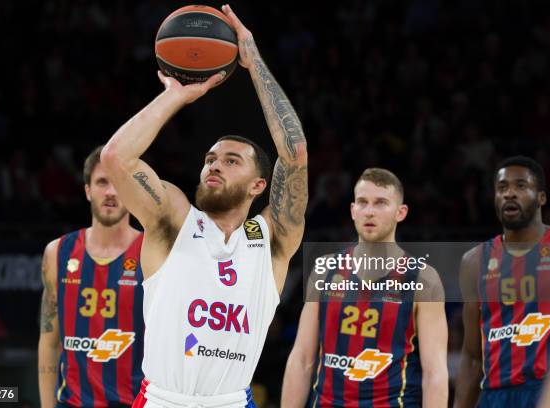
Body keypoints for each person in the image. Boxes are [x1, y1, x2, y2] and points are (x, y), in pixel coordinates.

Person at [101, 4, 308, 408]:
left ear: (258, 185)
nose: (214, 165)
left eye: (231, 161)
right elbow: (116, 159)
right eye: (210, 159)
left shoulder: (272, 238)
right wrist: (175, 96)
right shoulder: (174, 218)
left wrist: (254, 63)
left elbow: (295, 153)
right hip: (162, 400)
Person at [281, 168, 448, 407]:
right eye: (362, 202)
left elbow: (435, 373)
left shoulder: (423, 279)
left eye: (381, 203)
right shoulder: (325, 269)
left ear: (401, 212)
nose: (369, 211)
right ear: (352, 210)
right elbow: (301, 359)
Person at [38, 145, 145, 408]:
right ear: (88, 190)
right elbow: (50, 342)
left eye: (118, 183)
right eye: (101, 182)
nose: (110, 192)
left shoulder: (151, 253)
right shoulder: (57, 252)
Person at [454, 156, 550, 408]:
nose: (510, 193)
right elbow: (473, 357)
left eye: (521, 186)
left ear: (541, 197)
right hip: (496, 395)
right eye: (502, 188)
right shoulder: (474, 261)